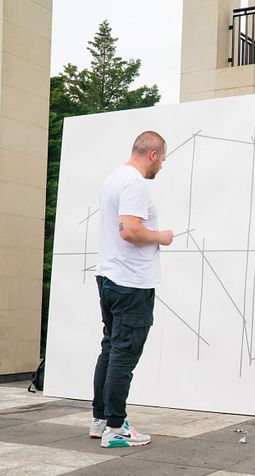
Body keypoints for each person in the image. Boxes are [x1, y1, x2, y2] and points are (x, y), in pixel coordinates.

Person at [89, 131, 174, 448]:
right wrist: (161, 236)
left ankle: (101, 419)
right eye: (163, 158)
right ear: (152, 154)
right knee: (124, 355)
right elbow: (131, 230)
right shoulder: (135, 183)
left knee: (111, 349)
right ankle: (115, 428)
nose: (162, 166)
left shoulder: (114, 178)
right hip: (131, 283)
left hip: (110, 278)